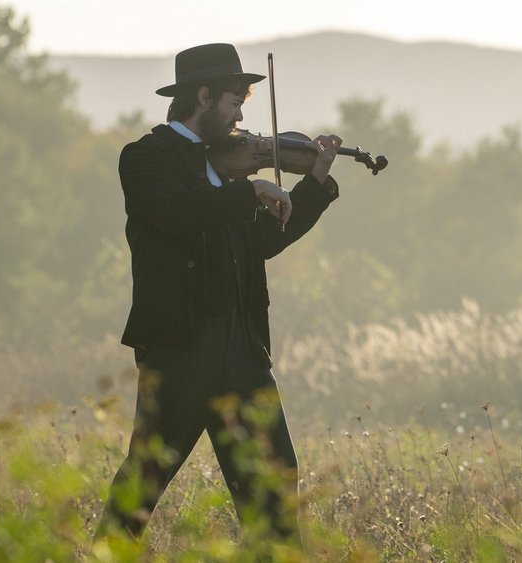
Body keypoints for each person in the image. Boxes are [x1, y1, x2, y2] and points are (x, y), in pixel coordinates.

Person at [95, 43, 342, 542]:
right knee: (144, 481)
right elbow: (178, 212)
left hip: (242, 347)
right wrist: (247, 193)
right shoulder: (146, 157)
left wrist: (313, 185)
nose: (241, 116)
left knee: (273, 480)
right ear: (202, 97)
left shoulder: (233, 172)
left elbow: (264, 243)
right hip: (179, 347)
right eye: (233, 102)